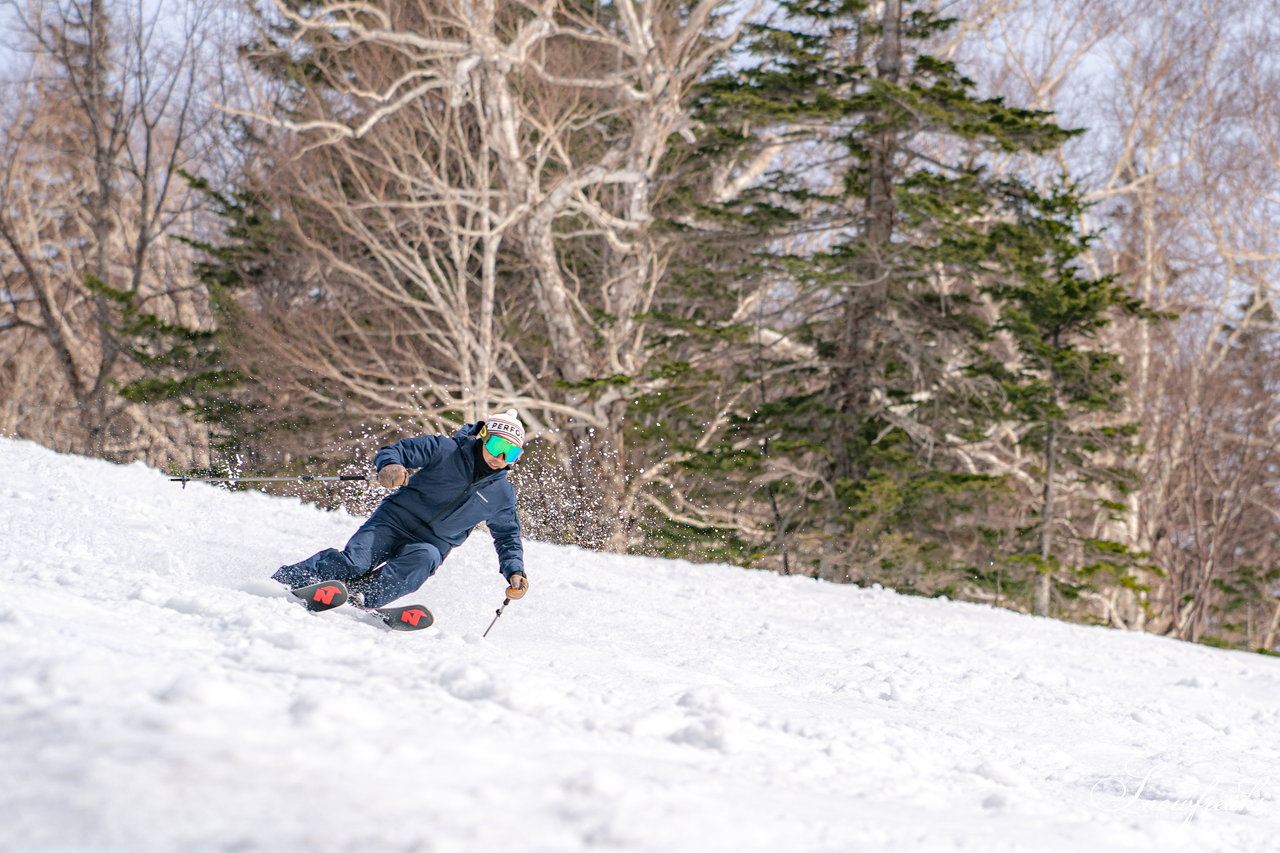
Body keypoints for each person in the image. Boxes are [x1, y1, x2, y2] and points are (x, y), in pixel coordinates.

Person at [272, 409, 529, 609]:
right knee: (355, 563)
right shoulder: (445, 450)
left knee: (423, 560)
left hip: (431, 543)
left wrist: (515, 570)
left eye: (511, 453)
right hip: (393, 522)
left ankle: (361, 596)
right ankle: (290, 580)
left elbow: (507, 537)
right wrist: (391, 466)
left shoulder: (501, 494)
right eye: (497, 447)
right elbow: (398, 451)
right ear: (484, 437)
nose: (500, 458)